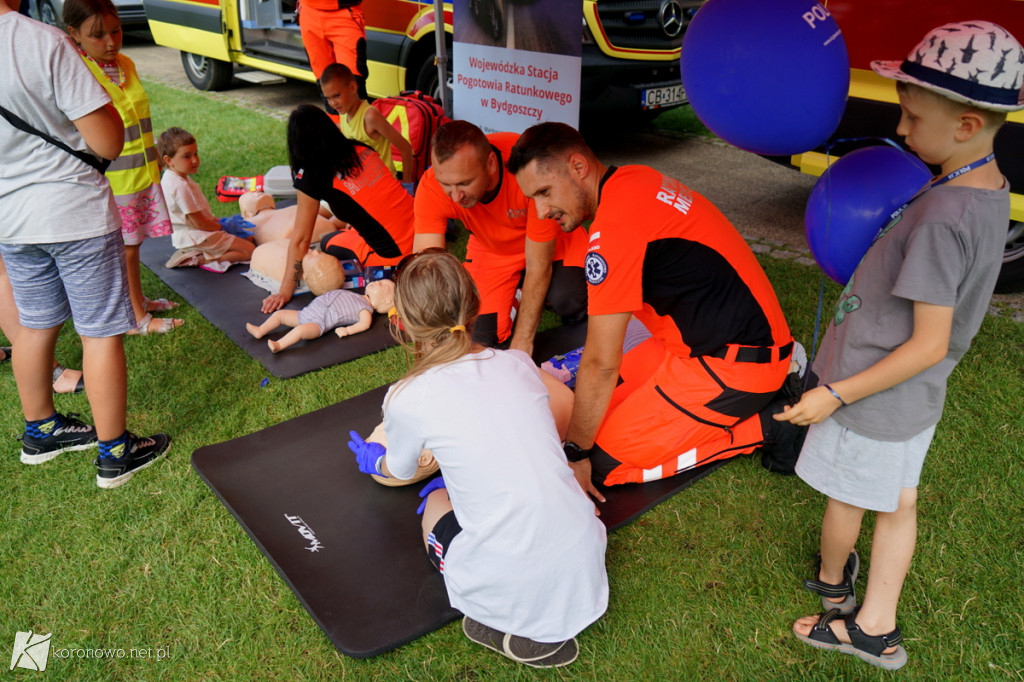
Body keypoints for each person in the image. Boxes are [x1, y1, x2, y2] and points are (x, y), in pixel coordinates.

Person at [776, 21, 1024, 671]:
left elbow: (926, 343)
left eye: (913, 117)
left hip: (876, 394)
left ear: (967, 125)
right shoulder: (987, 192)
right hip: (911, 402)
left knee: (849, 498)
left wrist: (832, 393)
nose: (903, 131)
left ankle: (850, 612)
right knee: (898, 499)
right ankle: (870, 613)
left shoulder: (946, 219)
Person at [346, 249, 607, 668]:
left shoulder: (407, 396)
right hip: (584, 555)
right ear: (476, 306)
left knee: (434, 503)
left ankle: (496, 609)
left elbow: (401, 469)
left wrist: (374, 461)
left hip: (516, 577)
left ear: (404, 323)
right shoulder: (519, 364)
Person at [508, 122, 795, 497]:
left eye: (545, 192)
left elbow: (601, 362)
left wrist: (577, 453)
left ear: (578, 167)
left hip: (736, 366)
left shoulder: (614, 229)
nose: (542, 211)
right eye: (533, 199)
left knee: (601, 461)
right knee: (591, 413)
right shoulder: (633, 178)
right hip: (698, 346)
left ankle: (772, 425)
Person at [0, 0, 170, 488]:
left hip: (12, 221)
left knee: (33, 326)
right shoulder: (41, 41)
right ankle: (115, 452)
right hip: (71, 211)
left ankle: (42, 430)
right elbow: (108, 141)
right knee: (100, 331)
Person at [414, 120, 588, 350]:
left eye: (465, 183)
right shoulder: (432, 186)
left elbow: (539, 265)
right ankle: (519, 288)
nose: (455, 196)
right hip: (493, 248)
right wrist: (429, 333)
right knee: (480, 335)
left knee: (571, 299)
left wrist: (523, 343)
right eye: (447, 184)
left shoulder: (525, 168)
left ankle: (531, 289)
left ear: (491, 164)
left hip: (553, 242)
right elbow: (426, 265)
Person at [65, 0, 182, 336]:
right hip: (114, 181)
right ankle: (136, 318)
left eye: (115, 30)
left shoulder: (126, 63)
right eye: (97, 35)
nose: (111, 41)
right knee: (126, 250)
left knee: (134, 247)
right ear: (74, 34)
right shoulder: (79, 72)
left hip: (142, 173)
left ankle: (138, 301)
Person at [260, 105, 415, 314]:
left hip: (399, 255)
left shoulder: (313, 175)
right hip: (423, 237)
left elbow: (300, 240)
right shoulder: (360, 148)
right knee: (342, 232)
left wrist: (285, 290)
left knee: (328, 242)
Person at [157, 126, 256, 272]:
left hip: (196, 232)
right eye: (187, 156)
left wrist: (218, 221)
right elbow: (199, 223)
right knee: (250, 250)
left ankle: (202, 252)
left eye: (195, 154)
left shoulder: (176, 176)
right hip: (197, 235)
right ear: (169, 160)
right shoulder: (179, 186)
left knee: (248, 238)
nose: (195, 160)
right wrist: (223, 227)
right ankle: (202, 259)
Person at [319, 63, 415, 183]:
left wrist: (407, 185)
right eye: (328, 98)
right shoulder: (343, 112)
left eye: (337, 96)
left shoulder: (370, 116)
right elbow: (351, 131)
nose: (333, 103)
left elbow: (405, 147)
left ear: (353, 87)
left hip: (385, 185)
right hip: (363, 184)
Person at [247, 278, 394, 353]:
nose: (378, 283)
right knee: (279, 315)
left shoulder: (365, 309)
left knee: (299, 331)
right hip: (307, 312)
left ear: (386, 300)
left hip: (319, 323)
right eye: (380, 281)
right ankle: (261, 330)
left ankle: (279, 345)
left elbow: (364, 324)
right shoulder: (356, 295)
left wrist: (348, 330)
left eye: (383, 285)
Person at [297, 0, 366, 98]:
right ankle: (332, 114)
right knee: (324, 81)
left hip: (344, 13)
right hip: (309, 12)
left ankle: (358, 113)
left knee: (353, 82)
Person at [237, 191, 339, 245]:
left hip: (329, 230)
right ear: (247, 213)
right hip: (296, 244)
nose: (256, 191)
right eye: (251, 194)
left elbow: (324, 208)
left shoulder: (287, 210)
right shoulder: (250, 222)